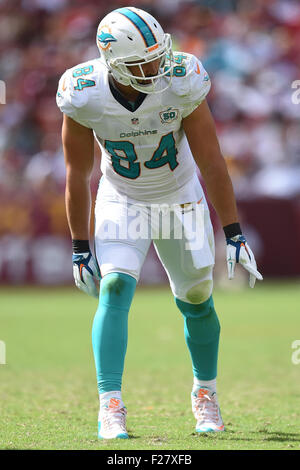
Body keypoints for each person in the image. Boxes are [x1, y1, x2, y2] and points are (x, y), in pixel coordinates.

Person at [56, 6, 263, 439]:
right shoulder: (83, 91)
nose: (155, 67)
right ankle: (109, 403)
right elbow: (78, 173)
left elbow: (211, 159)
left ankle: (205, 394)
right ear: (113, 63)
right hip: (123, 198)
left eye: (157, 54)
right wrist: (80, 246)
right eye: (140, 63)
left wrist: (233, 230)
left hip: (179, 196)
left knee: (197, 298)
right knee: (115, 285)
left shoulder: (181, 78)